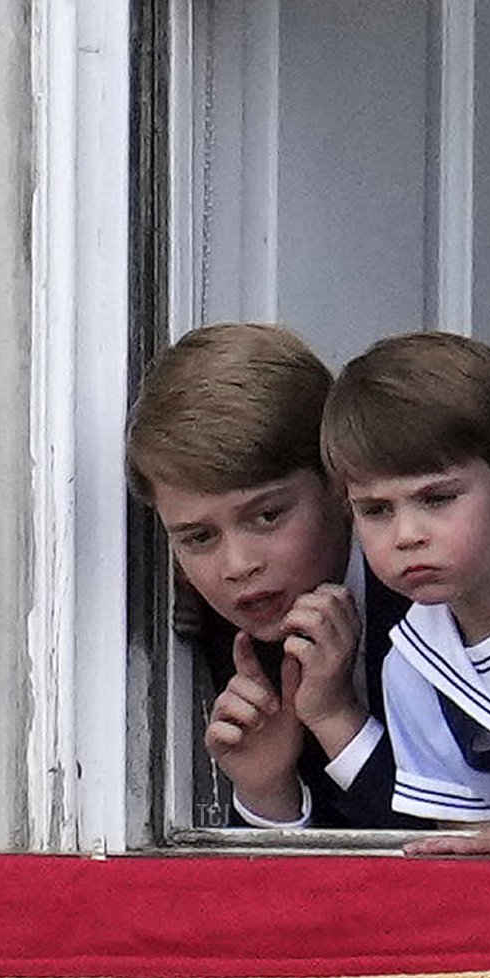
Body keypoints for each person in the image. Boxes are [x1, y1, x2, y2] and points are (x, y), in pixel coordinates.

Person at [125, 323, 410, 829]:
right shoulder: (231, 630)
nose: (238, 565)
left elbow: (465, 848)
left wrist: (336, 717)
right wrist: (266, 791)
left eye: (267, 516)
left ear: (340, 487)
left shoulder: (433, 589)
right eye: (198, 538)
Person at [319, 331, 490, 825]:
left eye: (437, 499)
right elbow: (467, 845)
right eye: (376, 509)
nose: (406, 535)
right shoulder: (409, 666)